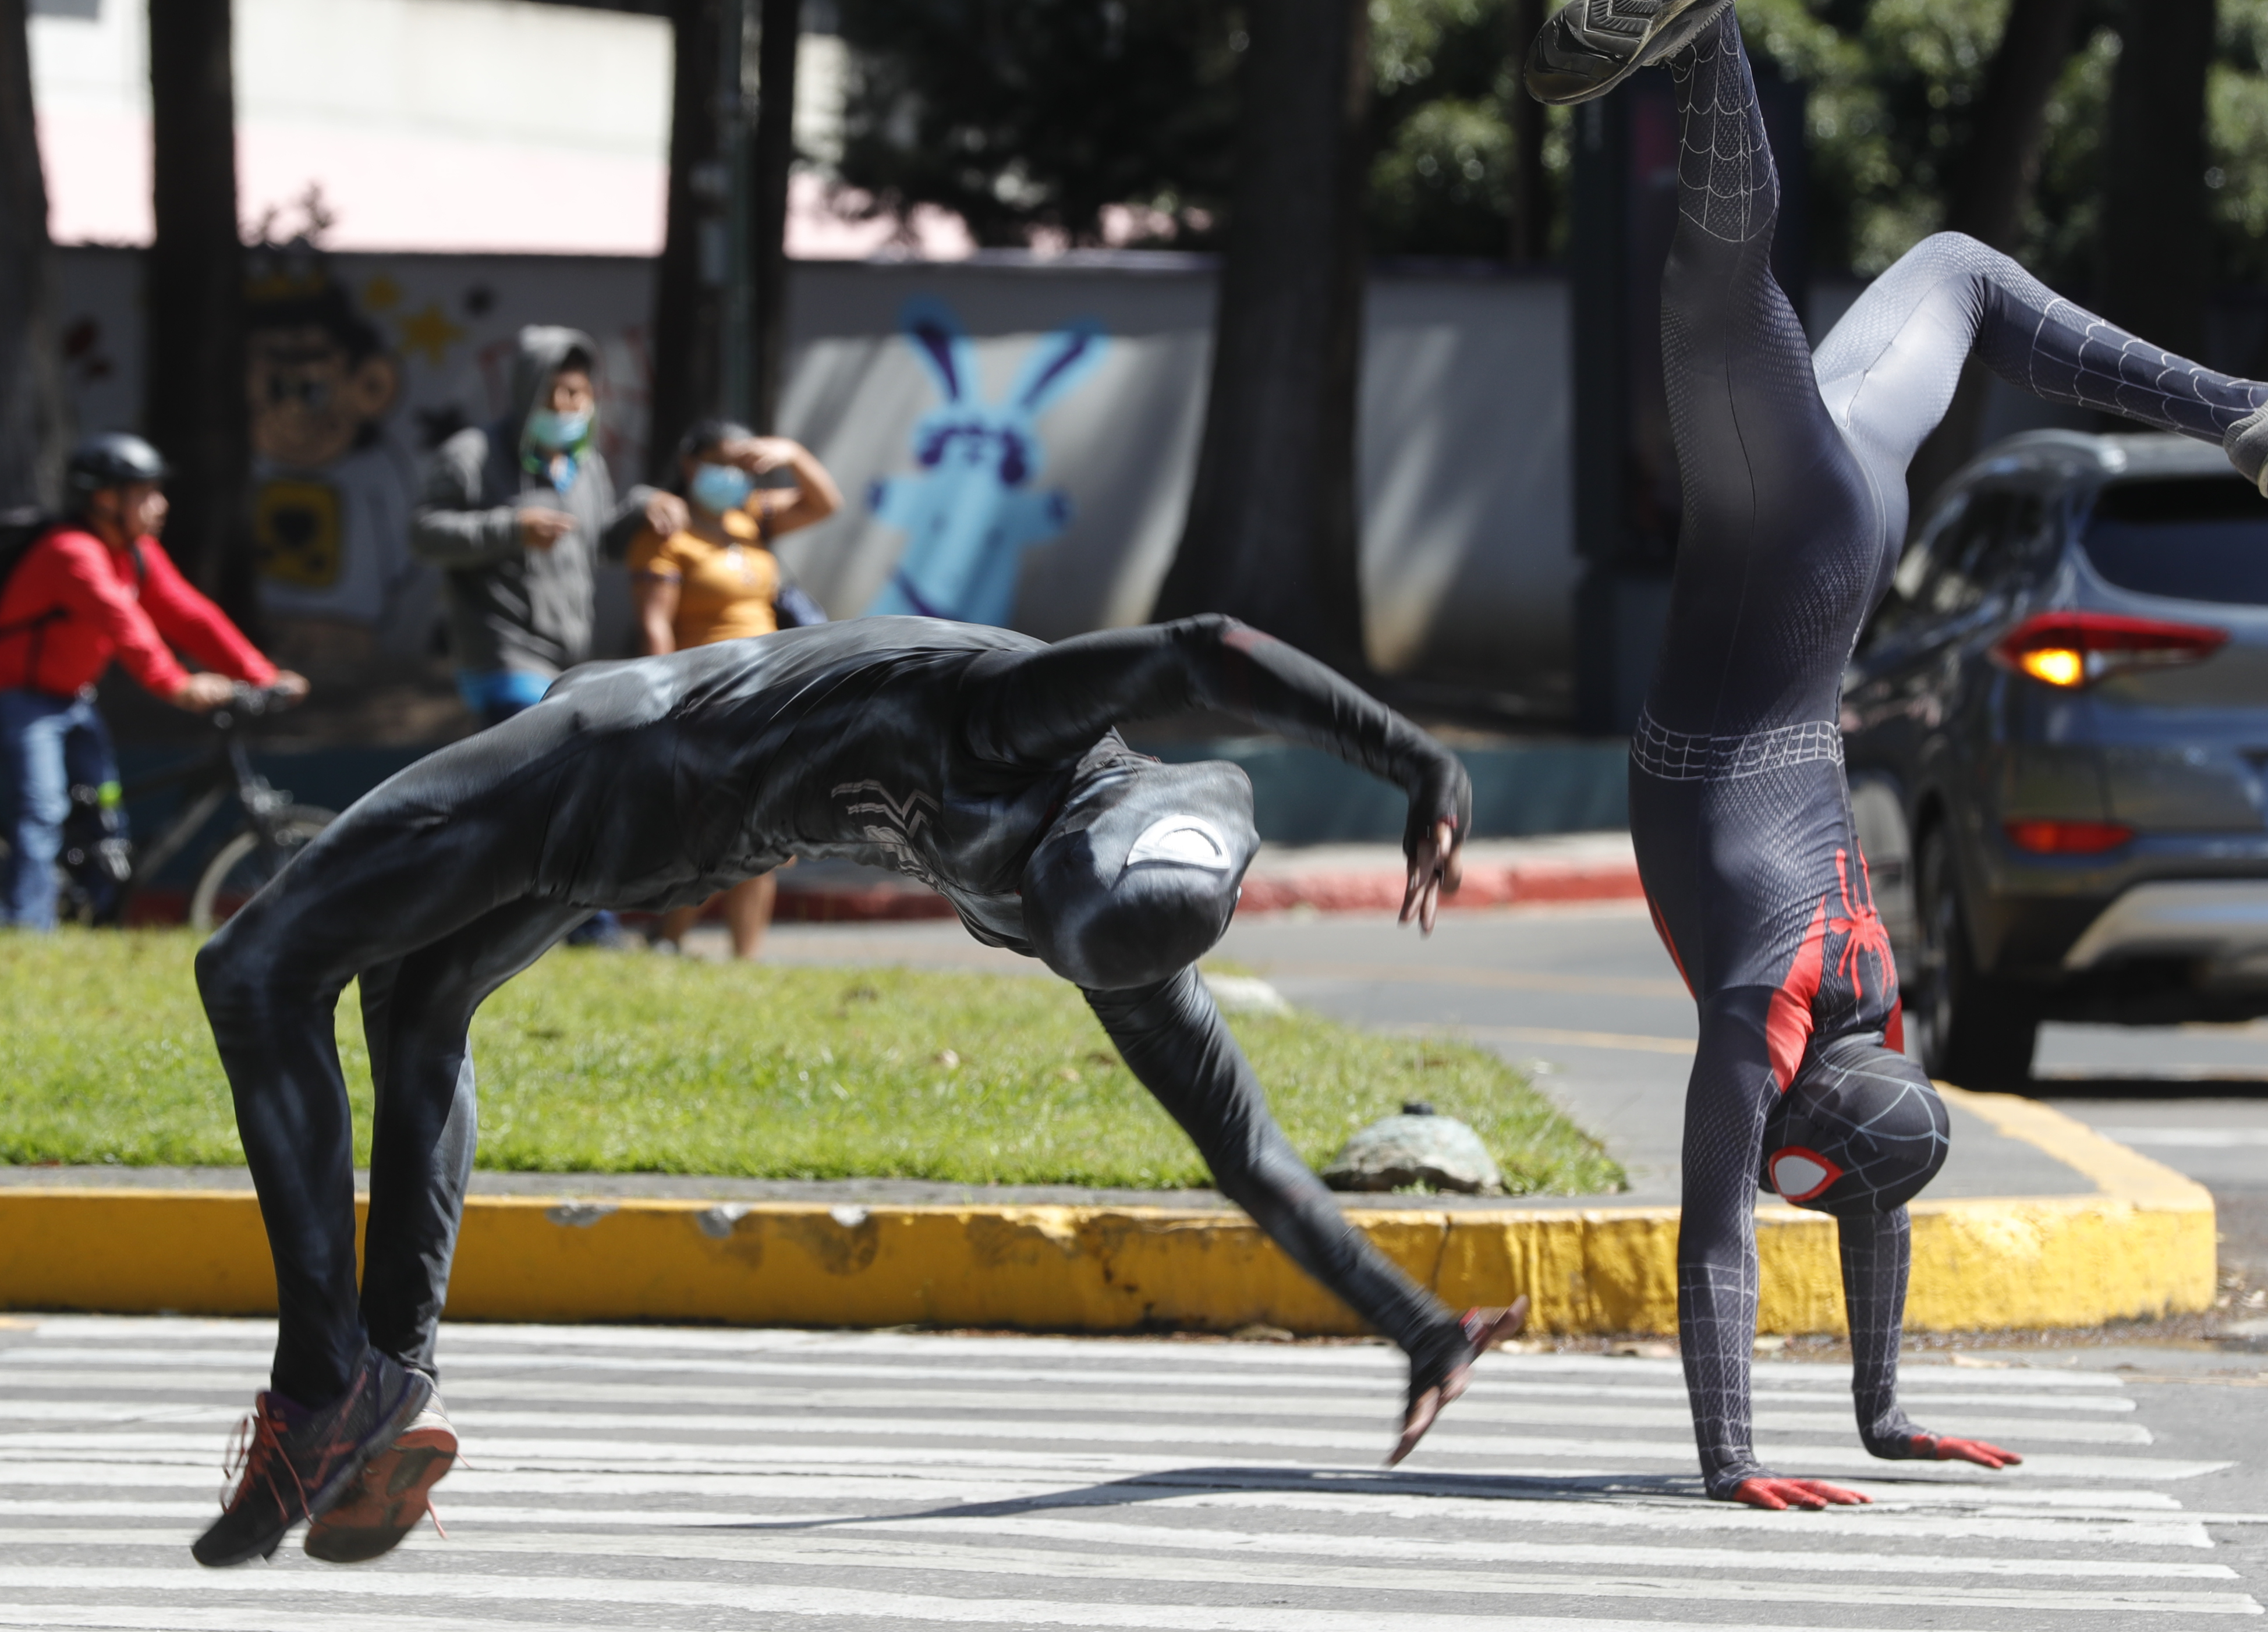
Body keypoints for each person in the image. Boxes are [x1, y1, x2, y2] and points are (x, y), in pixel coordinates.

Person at [1524, 0, 2268, 1509]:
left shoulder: (1822, 1000)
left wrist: (1804, 1439)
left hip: (1817, 552)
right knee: (1813, 285)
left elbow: (1778, 1205)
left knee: (1866, 277)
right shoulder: (1814, 1010)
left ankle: (2244, 408)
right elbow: (1776, 1207)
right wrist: (1810, 1433)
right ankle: (2243, 410)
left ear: (1858, 1076)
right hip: (1798, 550)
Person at [187, 613, 1525, 1567]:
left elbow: (1245, 1148)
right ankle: (384, 1373)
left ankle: (327, 1385)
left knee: (256, 972)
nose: (1026, 913)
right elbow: (1203, 647)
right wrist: (1415, 755)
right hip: (656, 803)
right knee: (412, 1001)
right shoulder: (1022, 720)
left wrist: (1420, 1328)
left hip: (621, 769)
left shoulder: (1117, 935)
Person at [0, 433, 304, 932]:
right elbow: (125, 623)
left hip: (73, 697)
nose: (160, 505)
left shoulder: (135, 552)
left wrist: (260, 674)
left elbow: (190, 615)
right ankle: (27, 929)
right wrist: (177, 684)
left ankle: (96, 920)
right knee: (43, 807)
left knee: (106, 811)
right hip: (17, 699)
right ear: (104, 499)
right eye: (145, 493)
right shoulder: (71, 552)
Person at [414, 328, 685, 947]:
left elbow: (605, 546)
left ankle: (462, 913)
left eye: (582, 394)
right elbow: (425, 533)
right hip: (500, 650)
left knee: (515, 794)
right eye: (559, 392)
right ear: (528, 389)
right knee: (562, 778)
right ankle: (590, 924)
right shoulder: (472, 455)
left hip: (566, 654)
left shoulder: (584, 465)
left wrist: (643, 507)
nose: (570, 407)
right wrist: (509, 528)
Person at [629, 419, 846, 959]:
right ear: (690, 465)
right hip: (706, 694)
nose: (732, 476)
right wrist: (662, 702)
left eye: (742, 465)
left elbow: (825, 503)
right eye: (721, 463)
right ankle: (671, 938)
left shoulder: (751, 518)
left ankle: (745, 960)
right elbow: (655, 625)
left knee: (771, 829)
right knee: (712, 828)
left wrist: (791, 453)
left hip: (771, 694)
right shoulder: (667, 533)